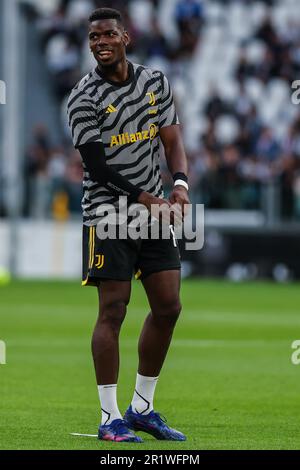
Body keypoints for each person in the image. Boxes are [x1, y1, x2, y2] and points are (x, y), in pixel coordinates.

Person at [67, 7, 189, 443]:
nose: (99, 42)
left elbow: (171, 138)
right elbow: (96, 167)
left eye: (107, 35)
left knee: (169, 306)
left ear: (126, 37)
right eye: (93, 37)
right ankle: (108, 418)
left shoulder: (155, 82)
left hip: (152, 211)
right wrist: (147, 197)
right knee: (113, 310)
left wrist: (179, 185)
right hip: (107, 212)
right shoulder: (83, 98)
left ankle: (142, 407)